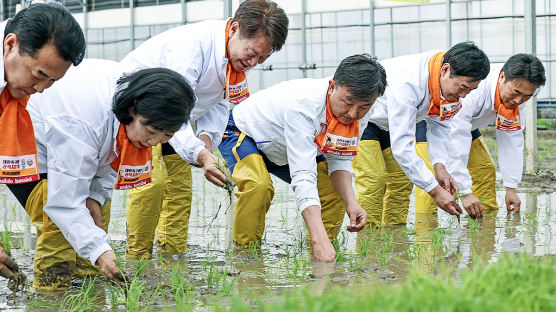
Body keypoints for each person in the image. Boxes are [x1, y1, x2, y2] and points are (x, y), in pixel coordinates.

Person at [119, 0, 289, 258]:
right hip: (141, 118)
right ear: (234, 29)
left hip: (176, 125)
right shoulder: (192, 47)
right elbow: (172, 103)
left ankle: (172, 258)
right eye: (252, 52)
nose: (254, 62)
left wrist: (206, 142)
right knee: (152, 183)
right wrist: (199, 154)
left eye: (262, 58)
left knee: (180, 192)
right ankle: (137, 259)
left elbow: (218, 102)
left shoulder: (235, 62)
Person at [6, 59, 195, 290]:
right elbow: (65, 203)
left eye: (166, 136)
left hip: (73, 148)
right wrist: (100, 251)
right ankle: (52, 296)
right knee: (57, 226)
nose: (153, 142)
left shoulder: (133, 120)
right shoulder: (83, 121)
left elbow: (108, 158)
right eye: (151, 131)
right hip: (31, 146)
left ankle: (89, 290)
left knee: (97, 215)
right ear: (132, 110)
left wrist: (94, 194)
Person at [218, 54, 387, 261]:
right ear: (333, 86)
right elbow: (303, 175)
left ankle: (321, 254)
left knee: (333, 190)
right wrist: (319, 239)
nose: (353, 114)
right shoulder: (305, 104)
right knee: (258, 185)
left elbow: (339, 158)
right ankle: (246, 256)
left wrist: (351, 202)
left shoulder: (361, 111)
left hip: (289, 149)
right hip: (245, 134)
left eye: (364, 107)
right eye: (348, 102)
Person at [352, 42, 490, 226]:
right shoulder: (409, 82)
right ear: (445, 70)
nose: (463, 95)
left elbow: (441, 125)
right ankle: (368, 245)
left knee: (401, 181)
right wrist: (434, 191)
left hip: (393, 124)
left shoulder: (448, 87)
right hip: (366, 120)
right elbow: (403, 147)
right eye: (462, 87)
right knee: (374, 179)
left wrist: (439, 166)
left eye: (470, 90)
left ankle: (393, 244)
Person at [0, 3, 85, 281]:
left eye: (52, 81)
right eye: (38, 75)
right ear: (10, 44)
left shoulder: (16, 87)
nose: (39, 89)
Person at [414, 54, 545, 217]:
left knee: (484, 169)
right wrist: (464, 192)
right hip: (432, 123)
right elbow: (455, 139)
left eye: (527, 96)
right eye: (516, 92)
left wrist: (511, 188)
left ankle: (484, 229)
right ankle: (425, 235)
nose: (518, 100)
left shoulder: (518, 101)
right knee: (434, 184)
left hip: (466, 125)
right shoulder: (474, 90)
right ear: (502, 77)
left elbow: (512, 141)